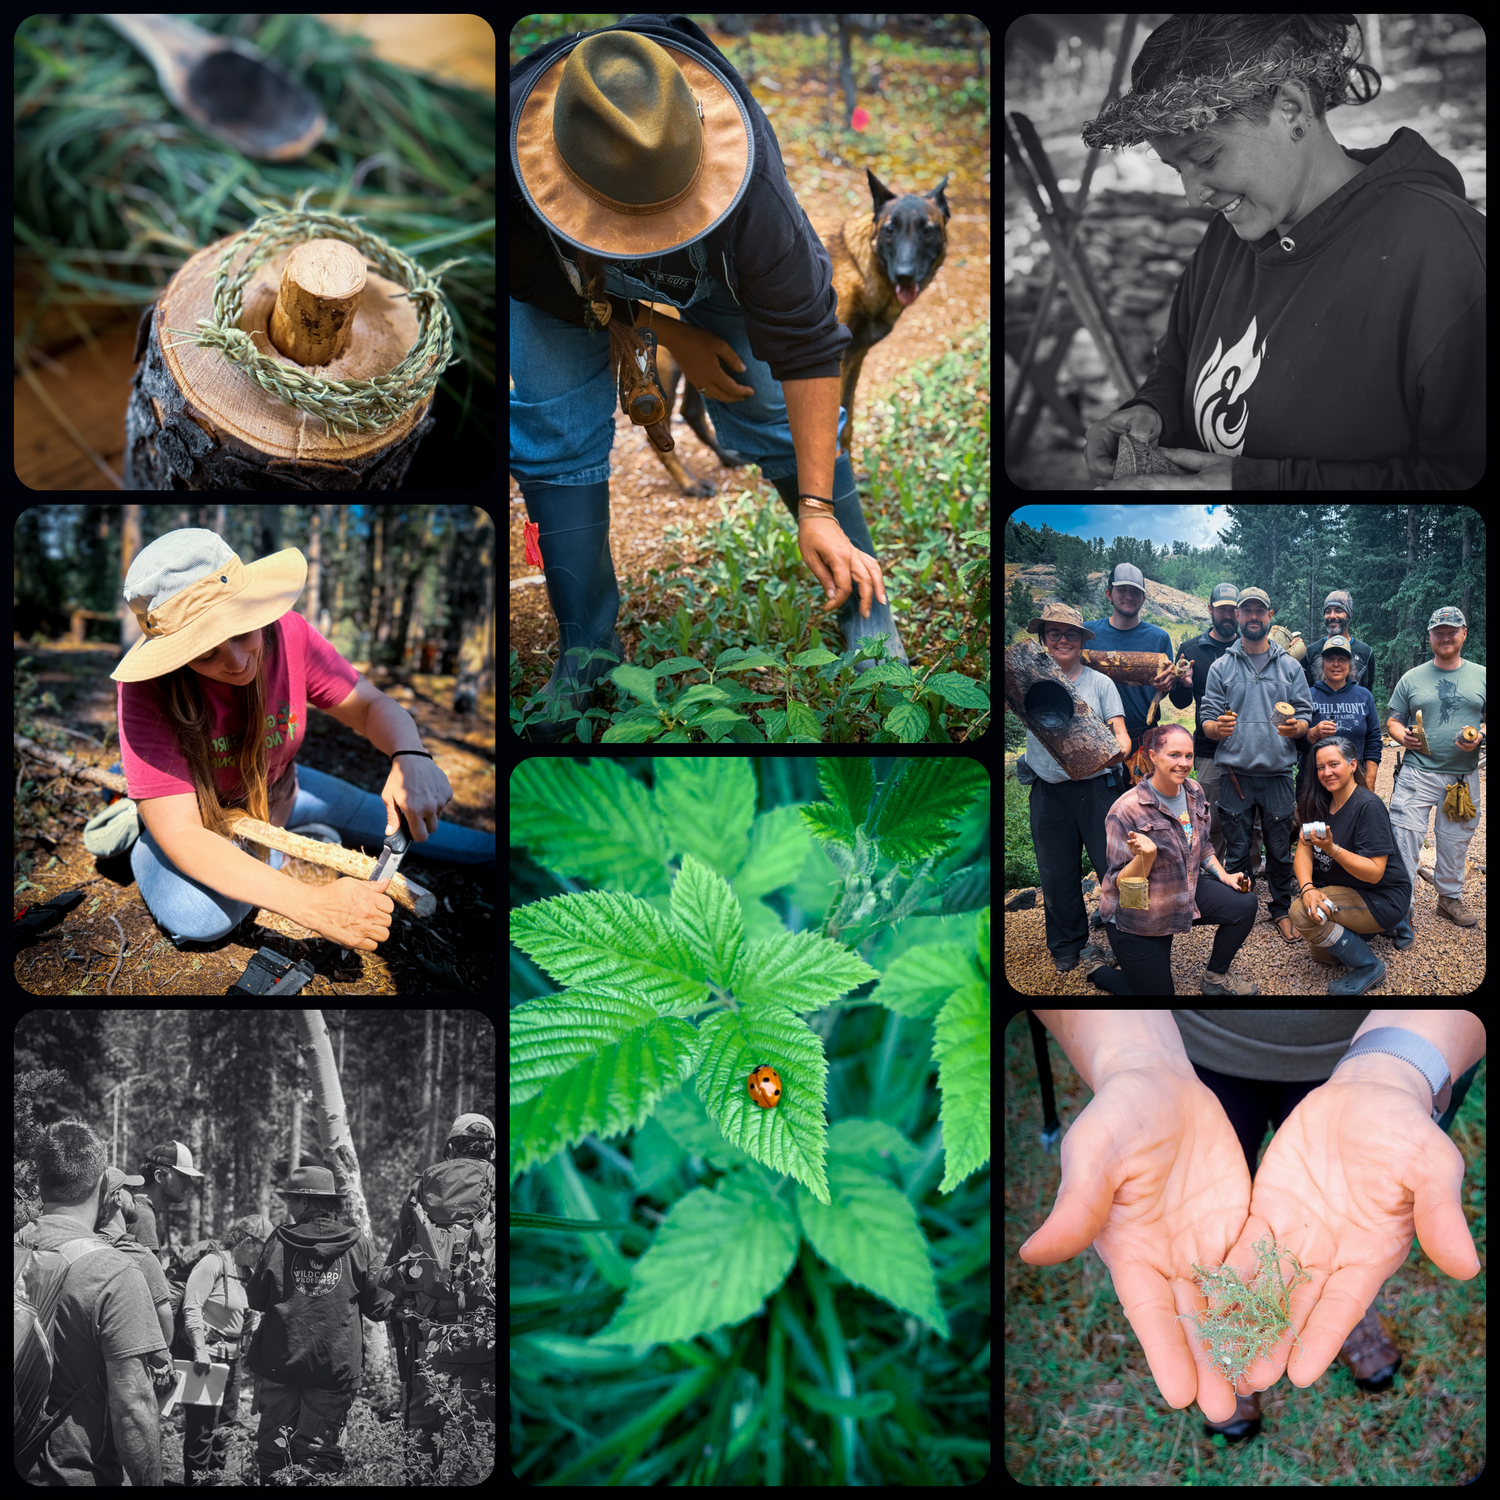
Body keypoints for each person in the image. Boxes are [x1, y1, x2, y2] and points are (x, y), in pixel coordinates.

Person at [511, 18, 905, 738]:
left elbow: (809, 344)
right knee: (552, 427)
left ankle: (868, 613)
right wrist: (664, 329)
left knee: (763, 403)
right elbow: (537, 281)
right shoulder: (506, 175)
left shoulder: (755, 203)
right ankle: (589, 654)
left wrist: (815, 508)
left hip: (720, 265)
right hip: (569, 280)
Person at [1018, 1011, 1484, 1440]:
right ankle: (1231, 1346)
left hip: (1385, 1043)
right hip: (1189, 1047)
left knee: (1347, 1218)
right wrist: (1135, 1056)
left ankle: (1345, 1308)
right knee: (1205, 1202)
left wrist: (1399, 1070)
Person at [1081, 16, 1484, 490]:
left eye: (1207, 158)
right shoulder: (1229, 237)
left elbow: (1460, 480)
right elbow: (1177, 363)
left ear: (1292, 110)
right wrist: (1151, 411)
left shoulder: (1444, 254)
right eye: (1176, 168)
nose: (1192, 195)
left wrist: (1253, 485)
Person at [112, 527, 494, 949]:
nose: (237, 663)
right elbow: (184, 833)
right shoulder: (148, 688)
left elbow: (368, 705)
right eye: (205, 654)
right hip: (203, 820)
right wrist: (311, 905)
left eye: (241, 633)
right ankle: (148, 839)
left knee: (455, 840)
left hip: (285, 791)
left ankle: (289, 844)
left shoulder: (288, 634)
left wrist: (410, 755)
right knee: (199, 917)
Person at [17, 1121, 167, 1485]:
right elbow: (132, 1406)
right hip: (74, 1475)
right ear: (104, 1186)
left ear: (40, 1185)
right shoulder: (114, 1271)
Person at [1089, 722, 1261, 996]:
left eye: (1189, 756)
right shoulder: (1125, 810)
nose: (1183, 763)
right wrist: (1145, 857)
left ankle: (1215, 978)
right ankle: (1099, 969)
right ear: (1152, 756)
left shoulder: (1194, 791)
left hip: (1181, 890)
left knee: (1244, 903)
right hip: (1139, 915)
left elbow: (1202, 845)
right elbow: (1121, 884)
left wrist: (1225, 876)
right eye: (1174, 755)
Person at [245, 1166, 393, 1483]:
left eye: (291, 1201)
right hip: (334, 1365)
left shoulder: (279, 1241)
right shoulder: (359, 1245)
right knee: (320, 1453)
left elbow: (256, 1298)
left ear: (304, 1202)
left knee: (274, 1450)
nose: (288, 1208)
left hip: (281, 1362)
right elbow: (379, 1306)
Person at [379, 1113, 497, 1466]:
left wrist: (394, 1305)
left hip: (429, 1331)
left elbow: (398, 1262)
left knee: (422, 1436)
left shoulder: (421, 1190)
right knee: (479, 1433)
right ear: (491, 1151)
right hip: (487, 1332)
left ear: (450, 1147)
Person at [1197, 588, 1314, 944]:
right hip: (1235, 774)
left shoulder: (1291, 666)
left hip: (1278, 773)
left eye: (1258, 611)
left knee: (1279, 849)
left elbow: (1306, 715)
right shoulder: (1222, 666)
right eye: (1245, 610)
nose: (1252, 616)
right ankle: (1241, 908)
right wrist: (1218, 728)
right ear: (1239, 615)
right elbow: (1206, 721)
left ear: (1269, 615)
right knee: (1237, 848)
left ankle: (1279, 909)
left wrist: (1299, 727)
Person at [1383, 606, 1486, 929]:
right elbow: (1393, 721)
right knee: (1404, 839)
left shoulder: (1481, 675)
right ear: (1429, 636)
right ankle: (1402, 906)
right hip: (1417, 773)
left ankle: (1449, 898)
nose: (1445, 637)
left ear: (1463, 633)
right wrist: (1404, 738)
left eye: (1451, 631)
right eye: (1438, 632)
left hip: (1462, 776)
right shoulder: (1412, 677)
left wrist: (1480, 735)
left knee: (1456, 840)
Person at [175, 1215, 271, 1485]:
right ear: (247, 1241)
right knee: (202, 1430)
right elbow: (192, 1307)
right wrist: (200, 1350)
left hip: (234, 1360)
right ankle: (194, 1483)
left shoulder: (247, 1274)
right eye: (262, 1248)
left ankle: (215, 1481)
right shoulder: (213, 1263)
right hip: (208, 1358)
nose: (262, 1256)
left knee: (225, 1428)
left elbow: (247, 1318)